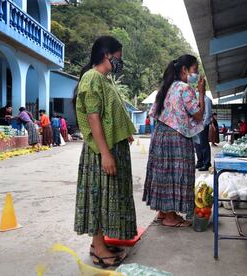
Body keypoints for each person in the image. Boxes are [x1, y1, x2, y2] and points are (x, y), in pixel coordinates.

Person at [73, 36, 136, 268]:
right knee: (99, 197)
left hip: (110, 147)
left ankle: (98, 244)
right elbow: (93, 118)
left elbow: (113, 112)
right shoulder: (92, 78)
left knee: (108, 196)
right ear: (105, 55)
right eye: (118, 58)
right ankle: (99, 249)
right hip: (101, 152)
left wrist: (126, 132)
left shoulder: (105, 80)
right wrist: (106, 154)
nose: (120, 62)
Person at [143, 54, 206, 227]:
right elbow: (199, 114)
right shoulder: (184, 88)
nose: (197, 74)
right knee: (176, 174)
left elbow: (155, 113)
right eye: (195, 70)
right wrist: (201, 92)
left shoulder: (165, 88)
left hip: (160, 135)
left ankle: (163, 212)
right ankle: (171, 217)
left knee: (163, 173)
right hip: (176, 137)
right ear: (184, 70)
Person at [195, 91, 213, 171]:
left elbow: (208, 114)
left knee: (204, 144)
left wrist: (203, 125)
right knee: (197, 144)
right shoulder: (197, 100)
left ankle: (206, 163)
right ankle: (200, 162)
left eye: (198, 89)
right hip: (196, 125)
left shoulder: (207, 100)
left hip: (203, 125)